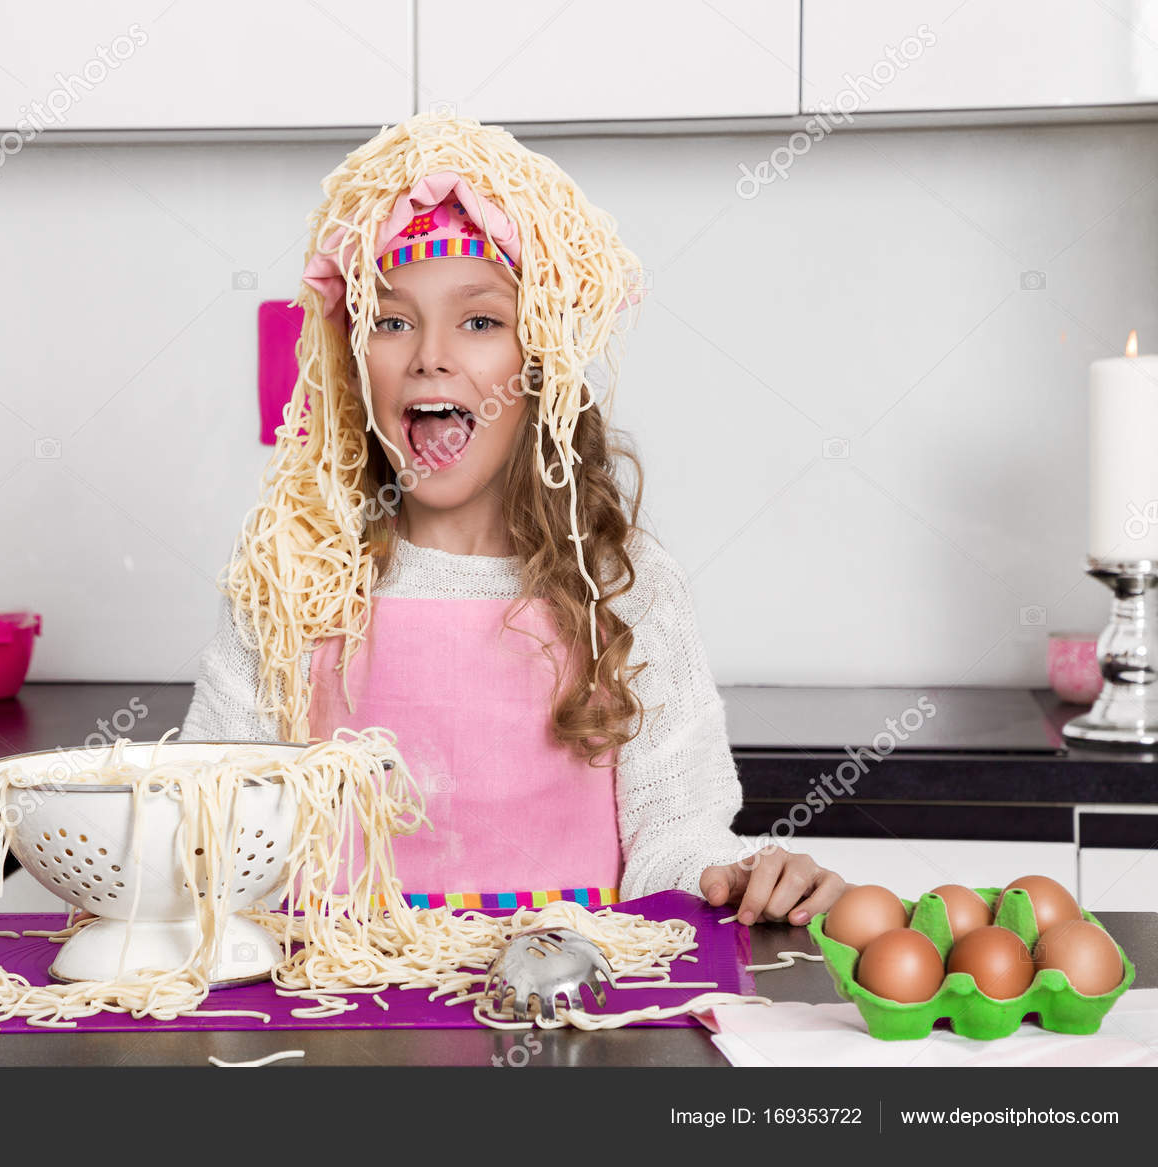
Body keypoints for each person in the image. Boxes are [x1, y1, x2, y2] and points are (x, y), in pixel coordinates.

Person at [183, 112, 844, 928]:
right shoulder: (289, 580)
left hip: (573, 1027)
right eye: (391, 321)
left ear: (541, 366)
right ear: (354, 360)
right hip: (331, 1024)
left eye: (481, 320)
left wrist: (737, 877)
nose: (429, 354)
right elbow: (204, 834)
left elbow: (673, 839)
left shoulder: (620, 587)